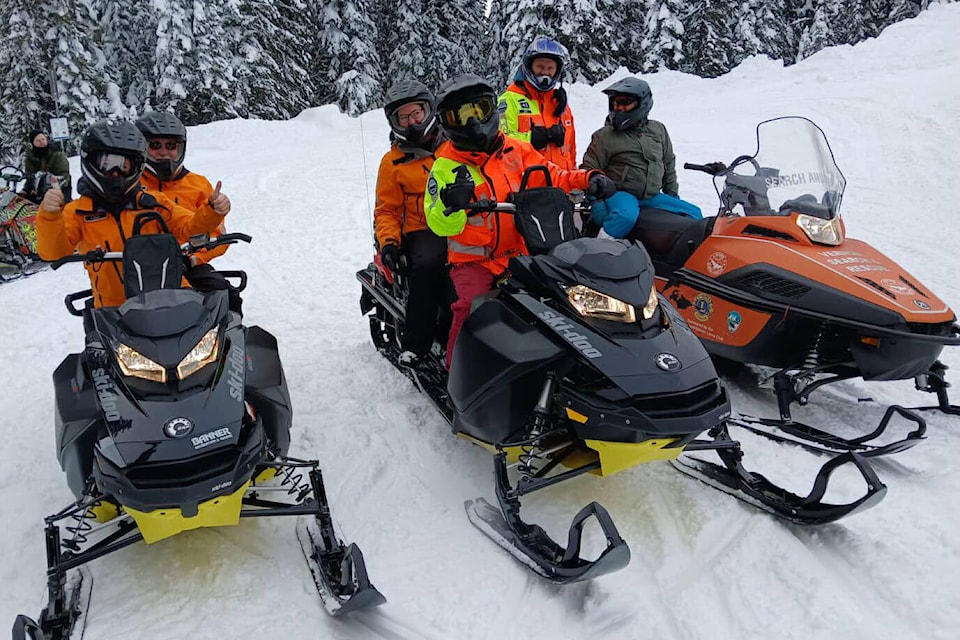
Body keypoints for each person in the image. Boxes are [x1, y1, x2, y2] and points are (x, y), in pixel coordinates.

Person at [424, 74, 615, 369]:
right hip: (474, 261)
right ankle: (457, 371)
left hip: (524, 251)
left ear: (493, 111)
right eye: (459, 116)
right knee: (472, 308)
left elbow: (554, 175)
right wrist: (452, 205)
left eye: (480, 110)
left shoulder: (516, 149)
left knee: (562, 298)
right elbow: (439, 224)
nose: (473, 123)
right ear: (447, 124)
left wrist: (588, 178)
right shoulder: (445, 166)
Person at [36, 120, 227, 309]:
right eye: (108, 163)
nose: (116, 172)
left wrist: (211, 211)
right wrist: (50, 216)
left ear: (136, 166)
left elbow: (188, 227)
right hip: (113, 311)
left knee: (209, 318)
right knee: (95, 337)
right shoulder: (78, 213)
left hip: (169, 300)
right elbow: (54, 253)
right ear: (91, 161)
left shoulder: (153, 203)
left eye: (124, 165)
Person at [374, 80, 449, 367]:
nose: (412, 121)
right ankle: (418, 342)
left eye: (416, 113)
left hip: (460, 221)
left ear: (428, 110)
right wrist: (389, 242)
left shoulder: (452, 146)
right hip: (420, 229)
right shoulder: (392, 163)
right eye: (403, 117)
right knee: (431, 265)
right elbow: (386, 210)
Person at [135, 111, 240, 313]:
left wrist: (193, 258)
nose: (164, 152)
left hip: (186, 265)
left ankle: (228, 343)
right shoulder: (131, 185)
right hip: (139, 270)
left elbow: (217, 234)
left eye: (171, 146)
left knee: (226, 298)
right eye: (155, 145)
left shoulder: (198, 185)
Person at [580, 78, 698, 238]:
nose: (619, 108)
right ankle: (599, 248)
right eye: (615, 103)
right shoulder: (604, 136)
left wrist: (672, 196)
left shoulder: (658, 130)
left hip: (651, 195)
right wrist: (596, 202)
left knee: (693, 213)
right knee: (625, 217)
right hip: (619, 194)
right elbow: (589, 170)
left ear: (642, 103)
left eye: (625, 102)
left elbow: (668, 163)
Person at [497, 37, 577, 170]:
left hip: (562, 185)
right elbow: (499, 140)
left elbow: (571, 149)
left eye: (550, 68)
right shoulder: (510, 100)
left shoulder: (561, 105)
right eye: (540, 66)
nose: (545, 72)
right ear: (529, 66)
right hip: (527, 184)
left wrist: (576, 179)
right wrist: (531, 138)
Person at [23, 129, 72, 202]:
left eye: (43, 139)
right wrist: (26, 190)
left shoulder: (57, 154)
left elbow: (65, 177)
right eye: (38, 141)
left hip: (58, 191)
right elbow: (30, 177)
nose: (41, 142)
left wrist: (48, 182)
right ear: (32, 143)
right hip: (38, 193)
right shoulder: (30, 157)